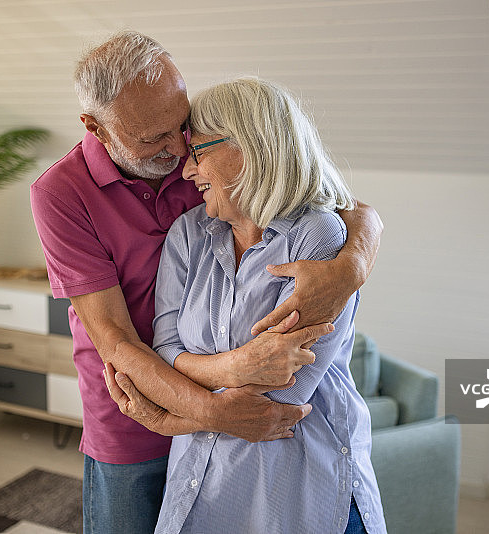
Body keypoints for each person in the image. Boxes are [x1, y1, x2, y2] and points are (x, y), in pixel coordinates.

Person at [31, 31, 382, 533]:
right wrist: (202, 413)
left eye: (182, 128)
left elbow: (323, 199)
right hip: (132, 412)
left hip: (240, 434)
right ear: (96, 127)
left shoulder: (207, 164)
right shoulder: (61, 194)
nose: (177, 151)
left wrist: (355, 259)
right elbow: (117, 340)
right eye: (154, 138)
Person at [109, 77, 386, 533]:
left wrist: (165, 418)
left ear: (250, 145)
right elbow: (165, 349)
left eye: (198, 152)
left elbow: (278, 394)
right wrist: (233, 370)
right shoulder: (188, 234)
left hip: (294, 486)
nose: (186, 171)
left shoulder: (319, 236)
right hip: (199, 479)